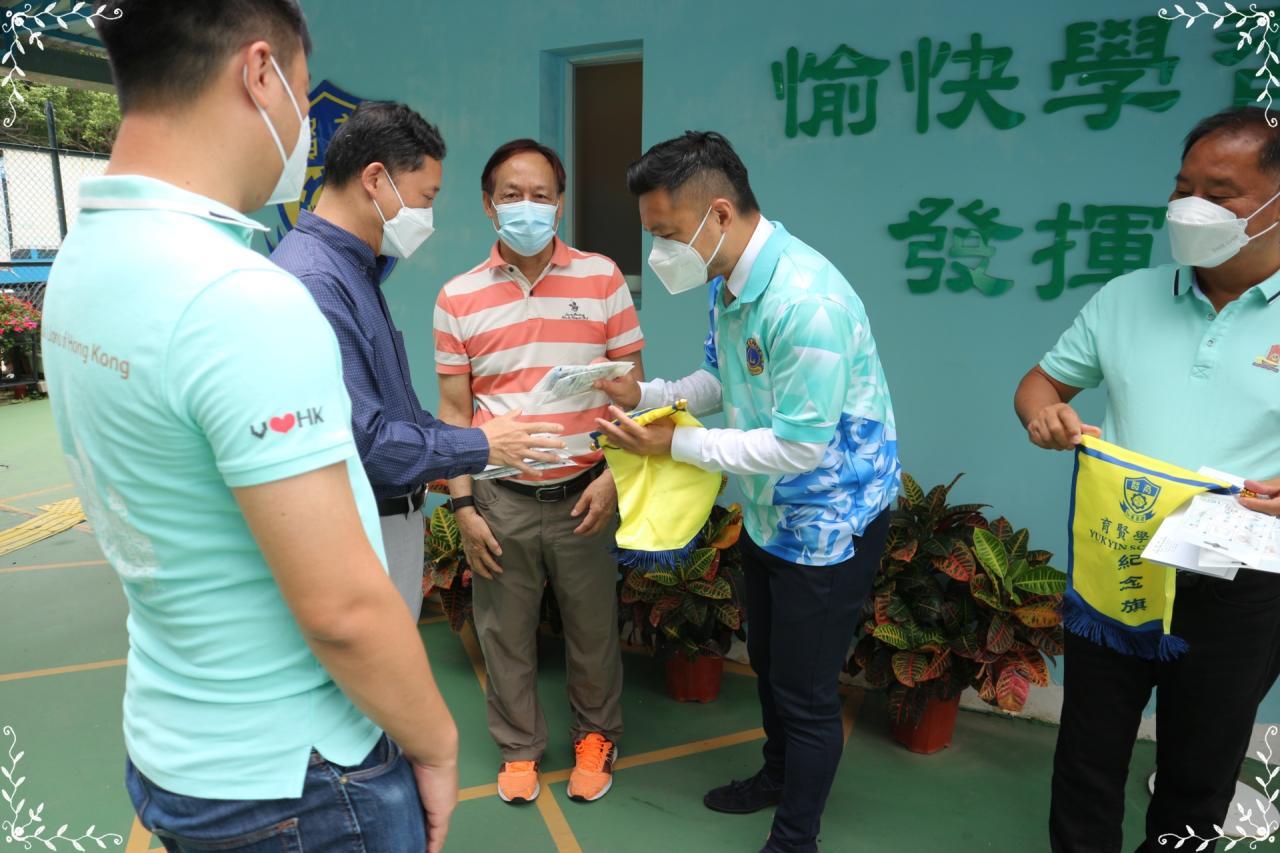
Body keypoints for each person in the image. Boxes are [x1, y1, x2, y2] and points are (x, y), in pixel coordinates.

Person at [42, 3, 457, 849]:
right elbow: (342, 609)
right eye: (303, 96)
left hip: (175, 744)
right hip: (298, 776)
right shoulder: (240, 296)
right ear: (260, 73)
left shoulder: (82, 259)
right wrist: (437, 742)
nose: (304, 128)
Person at [594, 131, 901, 853]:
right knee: (769, 664)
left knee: (806, 691)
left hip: (829, 523)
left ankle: (795, 837)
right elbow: (721, 378)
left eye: (667, 234)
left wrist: (676, 444)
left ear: (720, 214)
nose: (659, 251)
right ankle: (776, 775)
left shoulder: (806, 303)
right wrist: (647, 395)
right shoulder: (728, 281)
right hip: (770, 512)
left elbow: (800, 447)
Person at [1015, 106, 1280, 853]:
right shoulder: (1126, 297)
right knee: (1087, 757)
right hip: (1119, 565)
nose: (1191, 207)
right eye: (1182, 186)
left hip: (1240, 581)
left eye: (1220, 193)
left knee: (1200, 772)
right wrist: (1044, 415)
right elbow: (1041, 383)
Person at [271, 103, 564, 621]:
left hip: (384, 521)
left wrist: (482, 443)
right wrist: (482, 444)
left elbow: (396, 413)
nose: (427, 216)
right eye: (426, 198)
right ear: (375, 180)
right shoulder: (319, 282)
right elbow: (366, 444)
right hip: (359, 526)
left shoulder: (356, 269)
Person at [433, 139, 645, 804]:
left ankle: (596, 736)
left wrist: (613, 477)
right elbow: (455, 412)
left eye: (540, 194)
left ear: (560, 202)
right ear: (488, 204)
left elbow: (631, 390)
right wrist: (463, 506)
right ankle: (518, 746)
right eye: (511, 194)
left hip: (586, 492)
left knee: (593, 630)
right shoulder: (458, 297)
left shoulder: (602, 279)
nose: (527, 206)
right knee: (503, 632)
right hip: (501, 498)